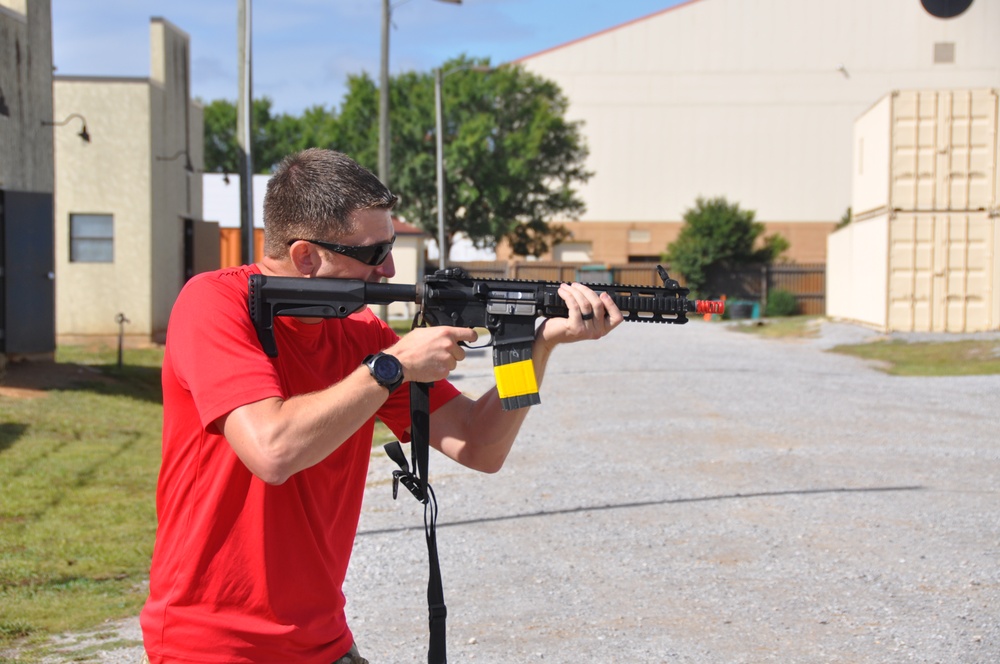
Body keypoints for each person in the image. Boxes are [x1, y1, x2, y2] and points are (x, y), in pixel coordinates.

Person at [139, 148, 623, 663]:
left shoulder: (359, 331)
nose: (391, 267)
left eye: (390, 246)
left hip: (322, 639)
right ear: (305, 257)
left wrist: (531, 346)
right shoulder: (213, 303)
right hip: (214, 644)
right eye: (374, 253)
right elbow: (272, 450)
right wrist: (390, 366)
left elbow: (479, 446)